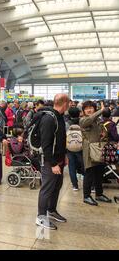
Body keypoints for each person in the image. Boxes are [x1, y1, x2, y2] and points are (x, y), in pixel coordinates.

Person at [36, 94, 70, 231]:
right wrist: (53, 163)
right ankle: (41, 217)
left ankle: (52, 210)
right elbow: (46, 144)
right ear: (65, 103)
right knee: (47, 189)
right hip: (50, 161)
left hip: (60, 159)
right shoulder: (49, 119)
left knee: (57, 185)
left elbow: (61, 139)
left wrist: (65, 155)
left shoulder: (59, 117)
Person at [80, 101, 113, 206]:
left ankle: (99, 194)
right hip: (89, 150)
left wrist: (103, 134)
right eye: (86, 108)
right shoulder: (83, 120)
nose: (89, 110)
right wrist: (101, 111)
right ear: (83, 111)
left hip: (98, 149)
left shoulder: (98, 120)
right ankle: (86, 196)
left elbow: (102, 133)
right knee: (89, 173)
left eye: (91, 108)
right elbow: (89, 120)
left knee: (99, 173)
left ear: (94, 109)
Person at [66, 107, 84, 191]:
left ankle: (75, 185)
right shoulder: (82, 122)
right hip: (81, 148)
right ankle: (89, 184)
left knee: (71, 166)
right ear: (79, 113)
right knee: (84, 165)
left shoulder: (67, 124)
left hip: (70, 148)